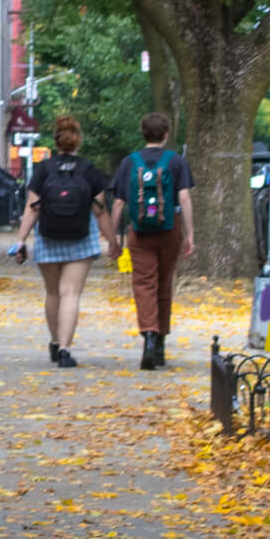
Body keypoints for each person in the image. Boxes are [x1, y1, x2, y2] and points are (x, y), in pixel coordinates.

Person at [10, 115, 113, 368]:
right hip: (81, 238)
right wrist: (113, 241)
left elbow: (32, 208)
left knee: (53, 292)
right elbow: (100, 211)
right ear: (79, 140)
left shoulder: (44, 170)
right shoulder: (89, 170)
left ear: (57, 141)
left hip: (48, 235)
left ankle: (55, 342)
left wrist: (21, 240)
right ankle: (66, 349)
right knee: (71, 293)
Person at [110, 112, 196, 368]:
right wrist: (190, 234)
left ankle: (148, 333)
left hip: (139, 231)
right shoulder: (176, 161)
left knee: (144, 283)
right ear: (166, 134)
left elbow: (118, 202)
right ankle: (160, 343)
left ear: (143, 133)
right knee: (164, 283)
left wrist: (114, 237)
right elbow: (184, 198)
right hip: (170, 229)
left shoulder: (130, 162)